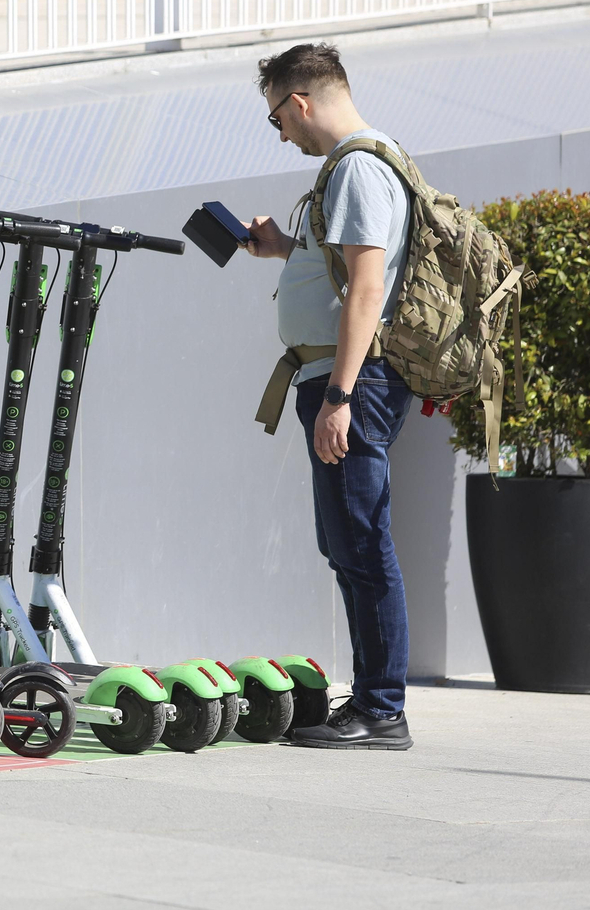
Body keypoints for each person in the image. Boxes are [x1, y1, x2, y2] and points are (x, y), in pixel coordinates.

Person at [243, 43, 415, 750]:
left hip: (355, 381)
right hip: (343, 379)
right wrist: (286, 249)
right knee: (346, 540)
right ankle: (374, 699)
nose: (282, 134)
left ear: (300, 102)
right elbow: (345, 270)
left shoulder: (355, 168)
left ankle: (382, 708)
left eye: (277, 118)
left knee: (362, 540)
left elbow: (369, 288)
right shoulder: (357, 169)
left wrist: (341, 395)